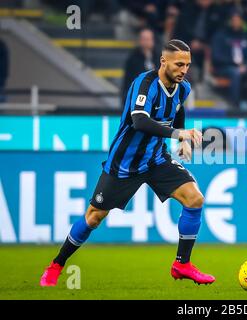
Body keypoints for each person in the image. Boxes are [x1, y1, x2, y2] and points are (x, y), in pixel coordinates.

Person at [40, 40, 215, 287]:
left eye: (187, 64)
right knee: (93, 218)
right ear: (163, 61)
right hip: (124, 164)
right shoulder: (144, 85)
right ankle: (56, 265)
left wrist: (182, 137)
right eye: (179, 64)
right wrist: (178, 134)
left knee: (195, 199)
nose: (184, 69)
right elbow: (140, 122)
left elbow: (177, 109)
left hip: (156, 159)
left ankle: (181, 264)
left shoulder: (183, 88)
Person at [121, 28, 160, 104]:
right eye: (144, 39)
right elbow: (128, 81)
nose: (146, 42)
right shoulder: (133, 58)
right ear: (140, 40)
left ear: (153, 41)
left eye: (148, 39)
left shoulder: (159, 57)